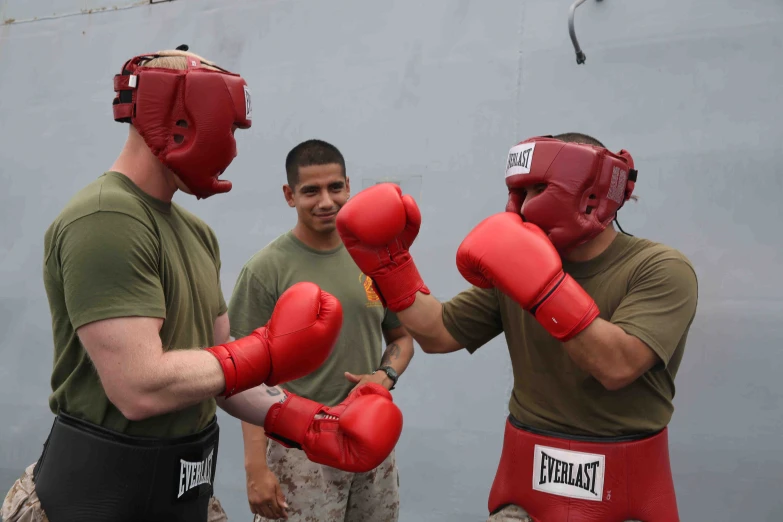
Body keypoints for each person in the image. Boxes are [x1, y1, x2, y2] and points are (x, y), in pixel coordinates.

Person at [0, 49, 402, 522]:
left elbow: (221, 374)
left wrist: (312, 424)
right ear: (183, 119)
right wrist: (265, 353)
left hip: (184, 493)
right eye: (228, 128)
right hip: (98, 499)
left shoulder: (196, 233)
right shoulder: (107, 217)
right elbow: (138, 387)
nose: (231, 146)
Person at [335, 133, 699, 522]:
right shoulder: (515, 264)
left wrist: (544, 286)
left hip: (623, 489)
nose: (524, 204)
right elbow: (438, 333)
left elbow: (617, 366)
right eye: (520, 190)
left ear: (592, 192)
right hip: (525, 487)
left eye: (540, 187)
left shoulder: (659, 268)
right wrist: (391, 267)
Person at [228, 139, 415, 522]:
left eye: (335, 187)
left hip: (371, 439)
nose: (326, 201)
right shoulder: (266, 270)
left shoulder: (373, 258)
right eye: (311, 190)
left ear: (348, 186)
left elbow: (402, 338)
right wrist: (255, 468)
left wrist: (383, 377)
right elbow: (241, 376)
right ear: (289, 195)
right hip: (298, 451)